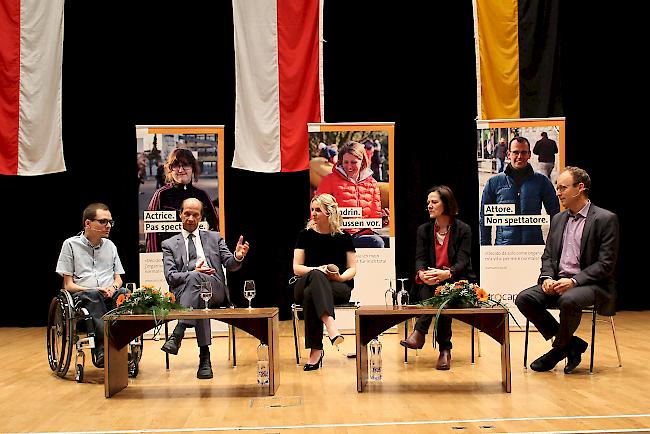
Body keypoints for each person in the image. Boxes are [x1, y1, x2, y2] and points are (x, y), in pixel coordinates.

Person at [515, 167, 619, 374]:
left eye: (563, 188)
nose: (558, 193)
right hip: (559, 281)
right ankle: (573, 345)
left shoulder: (605, 219)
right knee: (524, 298)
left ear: (580, 188)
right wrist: (546, 277)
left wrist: (574, 282)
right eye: (557, 188)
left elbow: (605, 264)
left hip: (592, 284)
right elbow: (548, 256)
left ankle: (558, 350)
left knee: (568, 300)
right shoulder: (558, 219)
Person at [160, 198, 249, 379]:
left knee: (200, 285)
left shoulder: (214, 238)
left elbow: (230, 264)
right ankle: (204, 357)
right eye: (187, 214)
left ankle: (180, 330)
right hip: (186, 292)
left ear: (201, 217)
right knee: (198, 289)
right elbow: (171, 277)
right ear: (180, 214)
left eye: (195, 214)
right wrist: (194, 272)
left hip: (215, 289)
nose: (190, 218)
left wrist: (238, 256)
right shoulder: (169, 244)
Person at [400, 186, 476, 370]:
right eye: (428, 203)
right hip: (431, 283)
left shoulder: (463, 229)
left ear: (447, 204)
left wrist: (447, 273)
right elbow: (419, 259)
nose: (429, 206)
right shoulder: (424, 230)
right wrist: (421, 274)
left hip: (457, 281)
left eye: (434, 202)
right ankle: (444, 351)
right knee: (432, 291)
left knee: (443, 298)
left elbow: (463, 261)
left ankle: (420, 333)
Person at [55, 203, 126, 368]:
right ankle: (102, 349)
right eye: (103, 221)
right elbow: (68, 285)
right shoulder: (70, 245)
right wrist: (93, 289)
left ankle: (122, 346)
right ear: (88, 223)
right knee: (94, 296)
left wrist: (113, 288)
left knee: (125, 293)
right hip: (83, 294)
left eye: (110, 222)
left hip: (109, 292)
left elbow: (118, 279)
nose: (108, 226)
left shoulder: (110, 246)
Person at [293, 194, 356, 371]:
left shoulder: (343, 237)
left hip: (337, 286)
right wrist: (318, 270)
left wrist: (340, 277)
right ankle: (330, 325)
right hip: (304, 282)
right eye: (312, 209)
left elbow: (352, 268)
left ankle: (316, 351)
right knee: (315, 276)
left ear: (329, 212)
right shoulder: (305, 235)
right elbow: (297, 268)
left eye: (318, 210)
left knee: (310, 295)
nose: (313, 213)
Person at [480, 136, 560, 245]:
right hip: (504, 250)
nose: (519, 156)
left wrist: (552, 245)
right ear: (508, 154)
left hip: (533, 248)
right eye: (515, 152)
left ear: (529, 155)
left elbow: (555, 215)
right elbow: (484, 218)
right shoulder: (494, 182)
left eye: (523, 152)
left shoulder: (542, 181)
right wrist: (485, 248)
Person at [146, 148, 219, 252]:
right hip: (169, 259)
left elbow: (215, 228)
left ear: (193, 168)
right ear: (170, 169)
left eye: (185, 165)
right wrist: (154, 259)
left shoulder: (202, 195)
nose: (180, 170)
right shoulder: (161, 195)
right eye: (176, 166)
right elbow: (151, 232)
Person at [315, 141, 384, 248]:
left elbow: (374, 218)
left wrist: (382, 220)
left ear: (363, 162)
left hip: (363, 234)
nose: (349, 166)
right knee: (376, 242)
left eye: (353, 162)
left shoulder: (372, 183)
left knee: (389, 241)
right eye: (346, 162)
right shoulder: (329, 180)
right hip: (339, 235)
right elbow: (317, 212)